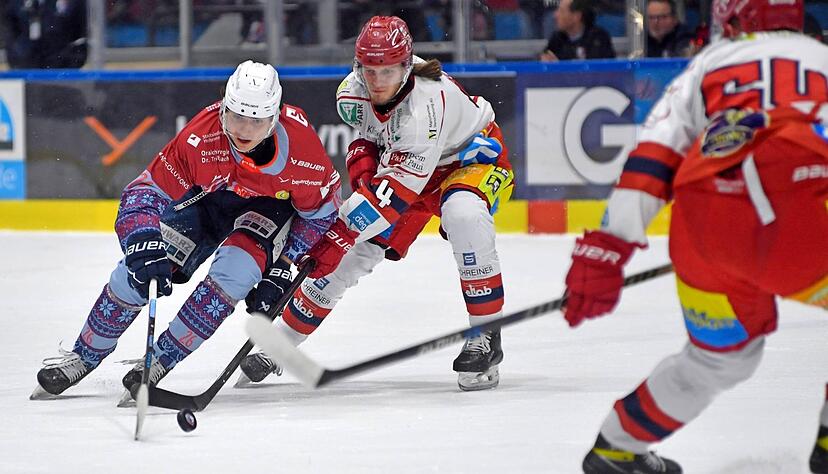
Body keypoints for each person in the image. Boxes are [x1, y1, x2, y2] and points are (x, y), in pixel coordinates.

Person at [561, 0, 828, 472]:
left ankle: (617, 448)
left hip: (704, 225)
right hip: (801, 213)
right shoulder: (822, 59)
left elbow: (652, 157)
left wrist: (606, 249)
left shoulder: (707, 65)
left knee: (720, 358)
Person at [31, 60, 341, 399]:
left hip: (269, 210)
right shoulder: (199, 137)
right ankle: (83, 355)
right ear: (223, 107)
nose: (243, 130)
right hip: (208, 200)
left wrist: (282, 268)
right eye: (236, 115)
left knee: (232, 276)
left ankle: (160, 360)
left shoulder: (304, 152)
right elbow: (143, 192)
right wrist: (141, 240)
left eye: (256, 120)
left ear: (275, 117)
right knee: (137, 275)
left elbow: (320, 215)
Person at [238, 15, 515, 392]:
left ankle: (486, 336)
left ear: (407, 66)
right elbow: (371, 140)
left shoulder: (424, 111)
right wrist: (363, 166)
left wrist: (335, 236)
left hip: (469, 159)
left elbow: (388, 199)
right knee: (351, 256)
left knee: (463, 213)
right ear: (358, 66)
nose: (377, 82)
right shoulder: (351, 95)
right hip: (410, 166)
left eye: (387, 71)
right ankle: (282, 343)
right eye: (370, 71)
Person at [4, 0, 87, 69]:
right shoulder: (15, 4)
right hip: (25, 68)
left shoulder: (72, 3)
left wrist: (71, 62)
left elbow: (81, 33)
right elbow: (10, 31)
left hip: (62, 69)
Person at [540, 0, 615, 61]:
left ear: (576, 16)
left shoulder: (598, 38)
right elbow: (545, 58)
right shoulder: (557, 39)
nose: (556, 15)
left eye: (561, 11)